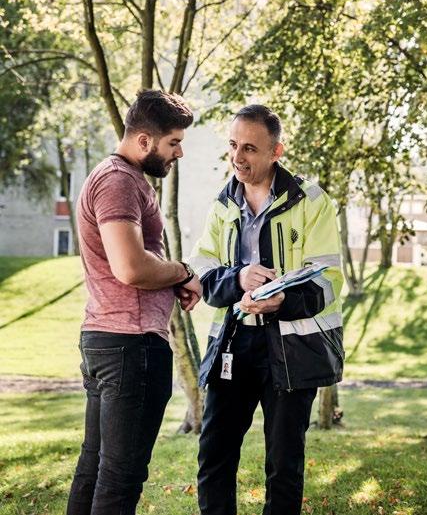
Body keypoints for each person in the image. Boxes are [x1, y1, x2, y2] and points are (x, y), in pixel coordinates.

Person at [189, 104, 344, 515]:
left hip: (292, 347)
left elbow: (329, 278)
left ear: (277, 152)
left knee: (284, 465)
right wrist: (238, 280)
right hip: (234, 343)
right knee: (214, 456)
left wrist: (283, 301)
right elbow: (203, 273)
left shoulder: (311, 201)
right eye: (233, 146)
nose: (238, 158)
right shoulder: (222, 205)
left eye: (250, 149)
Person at [67, 90, 202, 515]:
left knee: (96, 469)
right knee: (119, 478)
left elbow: (135, 264)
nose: (179, 152)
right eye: (173, 142)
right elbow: (129, 267)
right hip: (131, 346)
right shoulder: (119, 181)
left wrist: (166, 275)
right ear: (144, 140)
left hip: (109, 339)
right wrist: (181, 271)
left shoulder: (115, 177)